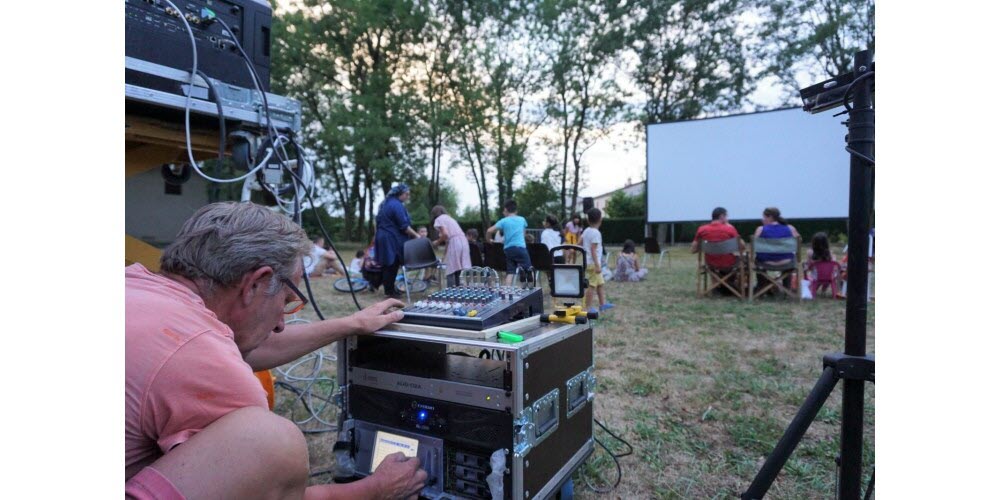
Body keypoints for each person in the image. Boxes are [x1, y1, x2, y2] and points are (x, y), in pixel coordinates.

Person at [125, 202, 426, 499]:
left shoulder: (136, 284)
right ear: (256, 283)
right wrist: (377, 489)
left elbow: (242, 347)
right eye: (285, 300)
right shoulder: (198, 355)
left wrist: (352, 323)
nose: (281, 323)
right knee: (271, 442)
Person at [375, 184, 420, 297]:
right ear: (399, 194)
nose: (407, 197)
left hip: (383, 236)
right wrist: (417, 236)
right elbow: (404, 226)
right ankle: (389, 292)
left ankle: (384, 287)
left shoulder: (385, 204)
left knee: (387, 264)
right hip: (391, 238)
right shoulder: (396, 205)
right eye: (406, 194)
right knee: (392, 263)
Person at [691, 207, 746, 295]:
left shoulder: (702, 229)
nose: (728, 219)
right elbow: (742, 246)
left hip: (710, 263)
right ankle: (734, 287)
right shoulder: (730, 229)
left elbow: (693, 249)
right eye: (727, 216)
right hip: (729, 263)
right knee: (744, 260)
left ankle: (716, 287)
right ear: (722, 216)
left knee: (712, 262)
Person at [753, 206, 801, 293]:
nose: (762, 219)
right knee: (790, 260)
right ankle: (787, 289)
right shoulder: (790, 228)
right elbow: (799, 242)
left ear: (770, 217)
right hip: (786, 262)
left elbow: (754, 247)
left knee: (757, 260)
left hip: (765, 263)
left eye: (764, 217)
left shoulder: (760, 229)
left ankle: (761, 289)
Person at [486, 199, 531, 285]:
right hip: (520, 248)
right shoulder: (522, 219)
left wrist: (489, 240)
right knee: (528, 269)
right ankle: (527, 290)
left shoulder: (503, 221)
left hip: (508, 249)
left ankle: (508, 292)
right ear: (516, 210)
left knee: (510, 272)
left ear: (506, 210)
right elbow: (523, 234)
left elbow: (489, 231)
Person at [581, 207, 614, 313]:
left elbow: (579, 242)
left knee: (600, 284)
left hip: (589, 262)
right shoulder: (596, 233)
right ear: (600, 219)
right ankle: (588, 308)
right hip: (593, 264)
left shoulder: (586, 231)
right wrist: (598, 265)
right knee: (592, 285)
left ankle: (602, 304)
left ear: (588, 220)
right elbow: (593, 249)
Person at [430, 205, 472, 287]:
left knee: (451, 268)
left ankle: (450, 292)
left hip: (455, 242)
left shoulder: (439, 219)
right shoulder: (450, 219)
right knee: (459, 267)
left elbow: (445, 234)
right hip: (463, 241)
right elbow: (447, 241)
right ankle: (459, 289)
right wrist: (445, 255)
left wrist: (437, 242)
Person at [804, 232, 842, 298]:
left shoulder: (810, 252)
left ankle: (814, 289)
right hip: (829, 276)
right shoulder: (830, 253)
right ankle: (824, 289)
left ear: (813, 242)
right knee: (829, 274)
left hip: (816, 276)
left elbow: (809, 266)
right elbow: (834, 264)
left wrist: (805, 266)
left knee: (814, 275)